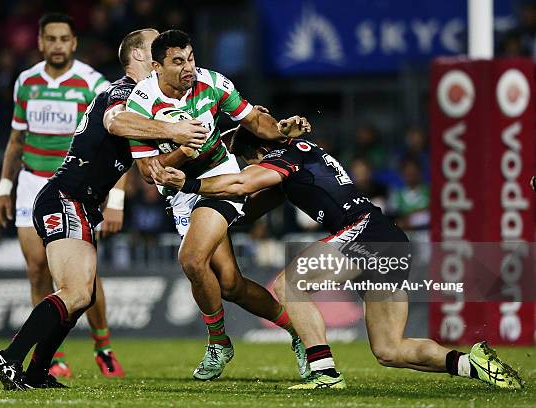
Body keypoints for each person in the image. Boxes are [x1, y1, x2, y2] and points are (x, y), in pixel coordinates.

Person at [149, 128, 525, 390]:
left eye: (250, 160)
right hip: (388, 237)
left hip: (364, 231)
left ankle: (323, 370)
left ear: (259, 154)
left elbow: (243, 184)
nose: (250, 167)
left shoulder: (283, 156)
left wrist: (191, 184)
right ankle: (470, 363)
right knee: (389, 350)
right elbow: (253, 206)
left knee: (289, 284)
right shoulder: (303, 151)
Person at [0, 27, 208, 390]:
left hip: (82, 202)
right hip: (64, 197)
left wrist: (189, 148)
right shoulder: (123, 92)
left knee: (81, 296)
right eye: (157, 46)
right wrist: (174, 130)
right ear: (139, 57)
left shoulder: (145, 104)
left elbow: (151, 174)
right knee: (73, 291)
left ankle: (38, 371)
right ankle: (9, 358)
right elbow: (114, 122)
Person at [123, 29, 310, 381]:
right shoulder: (141, 105)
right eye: (178, 62)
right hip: (180, 192)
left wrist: (283, 130)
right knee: (231, 285)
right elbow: (149, 174)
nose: (188, 67)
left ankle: (218, 343)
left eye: (191, 58)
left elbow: (254, 120)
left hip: (220, 180)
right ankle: (301, 332)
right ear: (157, 67)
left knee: (192, 259)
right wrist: (182, 148)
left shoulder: (212, 83)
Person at [0, 12, 126, 379]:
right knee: (37, 269)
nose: (57, 45)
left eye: (63, 39)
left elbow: (121, 144)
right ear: (40, 42)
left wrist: (116, 199)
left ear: (74, 43)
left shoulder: (92, 83)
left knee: (83, 274)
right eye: (50, 39)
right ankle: (52, 355)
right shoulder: (26, 81)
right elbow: (16, 139)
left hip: (75, 184)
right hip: (32, 181)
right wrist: (4, 187)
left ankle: (103, 345)